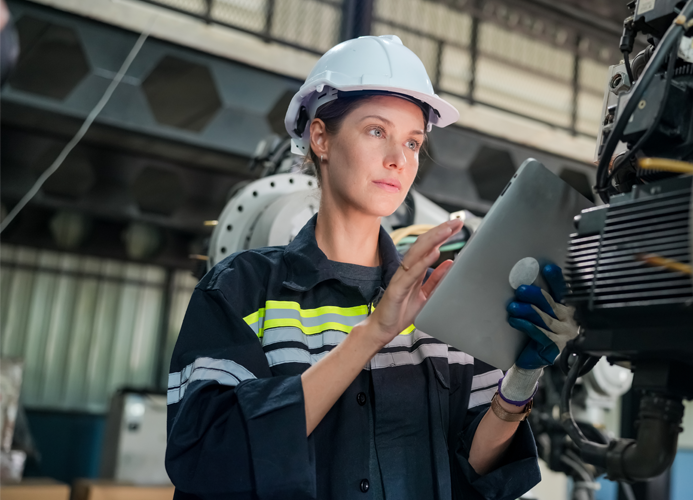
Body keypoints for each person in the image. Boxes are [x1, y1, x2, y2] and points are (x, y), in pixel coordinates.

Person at [165, 35, 578, 500]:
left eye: (414, 142)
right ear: (320, 137)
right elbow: (207, 457)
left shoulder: (443, 305)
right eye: (377, 131)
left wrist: (520, 382)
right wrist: (374, 331)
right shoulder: (240, 290)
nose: (398, 159)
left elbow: (472, 475)